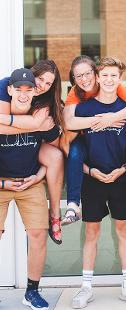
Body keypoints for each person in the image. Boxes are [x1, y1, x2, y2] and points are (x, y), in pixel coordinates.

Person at [71, 57, 126, 308]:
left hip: (120, 178)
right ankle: (86, 288)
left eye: (113, 76)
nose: (108, 80)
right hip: (93, 178)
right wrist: (90, 170)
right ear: (97, 77)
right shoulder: (84, 108)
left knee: (123, 230)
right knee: (92, 233)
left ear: (120, 79)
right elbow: (71, 146)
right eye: (103, 75)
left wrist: (124, 169)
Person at [60, 55, 126, 236]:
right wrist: (100, 121)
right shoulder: (76, 95)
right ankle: (73, 204)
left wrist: (112, 118)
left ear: (95, 74)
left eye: (87, 74)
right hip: (89, 144)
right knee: (76, 151)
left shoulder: (116, 87)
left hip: (120, 146)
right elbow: (69, 124)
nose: (84, 79)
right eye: (78, 76)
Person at [0, 68, 61, 310]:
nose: (23, 94)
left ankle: (32, 291)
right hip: (1, 183)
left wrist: (37, 176)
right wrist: (3, 184)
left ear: (35, 92)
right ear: (9, 90)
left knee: (37, 235)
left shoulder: (42, 118)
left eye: (28, 90)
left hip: (29, 182)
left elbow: (54, 153)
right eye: (18, 89)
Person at [0, 60, 64, 244]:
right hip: (8, 154)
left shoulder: (47, 101)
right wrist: (34, 125)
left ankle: (54, 215)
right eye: (40, 79)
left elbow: (52, 139)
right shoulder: (7, 85)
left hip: (33, 151)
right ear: (32, 74)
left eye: (48, 83)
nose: (42, 86)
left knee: (56, 155)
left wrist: (38, 176)